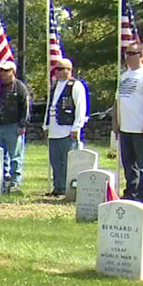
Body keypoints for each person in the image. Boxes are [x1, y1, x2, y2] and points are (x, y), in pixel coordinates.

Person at [114, 41, 143, 203]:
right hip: (125, 127)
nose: (128, 57)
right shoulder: (124, 75)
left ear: (141, 55)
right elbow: (117, 101)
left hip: (140, 127)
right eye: (126, 53)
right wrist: (116, 123)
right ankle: (130, 192)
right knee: (128, 163)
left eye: (132, 53)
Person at [44, 58, 87, 196]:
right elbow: (50, 106)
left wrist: (76, 127)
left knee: (67, 161)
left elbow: (81, 108)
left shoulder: (75, 85)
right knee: (55, 161)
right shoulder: (55, 85)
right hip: (54, 130)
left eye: (60, 69)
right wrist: (46, 125)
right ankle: (58, 187)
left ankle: (68, 188)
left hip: (67, 129)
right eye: (56, 69)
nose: (57, 72)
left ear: (69, 70)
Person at [0, 60, 31, 192]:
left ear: (13, 71)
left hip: (14, 126)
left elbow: (25, 107)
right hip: (0, 125)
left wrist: (22, 124)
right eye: (1, 70)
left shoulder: (20, 87)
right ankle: (2, 179)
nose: (3, 73)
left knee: (15, 156)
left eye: (6, 70)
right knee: (1, 156)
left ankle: (15, 181)